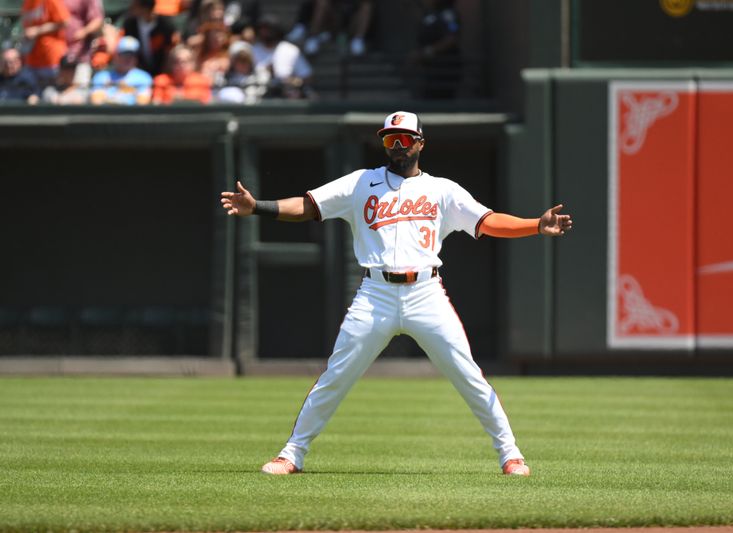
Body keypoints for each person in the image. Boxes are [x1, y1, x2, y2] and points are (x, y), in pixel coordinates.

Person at [220, 111, 574, 476]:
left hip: (426, 291)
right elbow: (308, 206)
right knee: (336, 376)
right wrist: (258, 207)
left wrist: (535, 225)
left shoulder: (442, 189)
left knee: (468, 375)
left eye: (404, 138)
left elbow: (488, 221)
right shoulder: (361, 183)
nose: (397, 146)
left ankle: (510, 454)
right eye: (390, 139)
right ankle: (291, 455)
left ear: (420, 142)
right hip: (375, 293)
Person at [251, 14, 312, 99]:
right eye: (262, 28)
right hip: (257, 93)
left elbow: (307, 76)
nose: (265, 32)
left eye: (269, 28)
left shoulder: (290, 50)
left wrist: (290, 80)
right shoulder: (252, 50)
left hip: (285, 94)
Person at [410, 0, 461, 99]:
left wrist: (427, 51)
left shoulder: (448, 14)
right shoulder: (430, 14)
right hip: (428, 69)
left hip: (445, 68)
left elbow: (452, 37)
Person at [286, 0, 373, 57]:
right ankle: (313, 37)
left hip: (350, 23)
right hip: (332, 21)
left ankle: (358, 39)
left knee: (367, 6)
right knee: (322, 3)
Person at [20, 0, 71, 91]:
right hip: (32, 61)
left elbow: (65, 21)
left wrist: (38, 30)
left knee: (51, 97)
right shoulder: (27, 2)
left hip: (52, 59)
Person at [89, 35, 153, 105]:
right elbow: (96, 101)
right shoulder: (102, 76)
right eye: (125, 54)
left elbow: (142, 103)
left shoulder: (144, 77)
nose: (128, 59)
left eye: (132, 55)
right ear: (116, 56)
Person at [122, 0, 180, 76]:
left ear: (145, 8)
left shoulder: (165, 24)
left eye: (136, 5)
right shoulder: (130, 24)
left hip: (162, 70)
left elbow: (170, 50)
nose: (131, 7)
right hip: (139, 71)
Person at [63, 0, 104, 88]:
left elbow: (98, 20)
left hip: (79, 57)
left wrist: (83, 32)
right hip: (58, 59)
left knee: (79, 95)